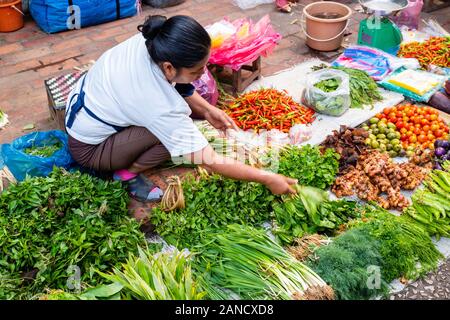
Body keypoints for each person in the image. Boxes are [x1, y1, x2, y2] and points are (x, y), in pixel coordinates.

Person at [65, 15, 297, 202]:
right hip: (90, 149)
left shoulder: (153, 40)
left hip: (84, 108)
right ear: (168, 67)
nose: (202, 76)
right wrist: (267, 177)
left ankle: (129, 159)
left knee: (176, 128)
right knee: (173, 139)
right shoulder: (157, 103)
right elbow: (207, 159)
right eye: (196, 72)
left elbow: (177, 84)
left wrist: (207, 110)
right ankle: (127, 174)